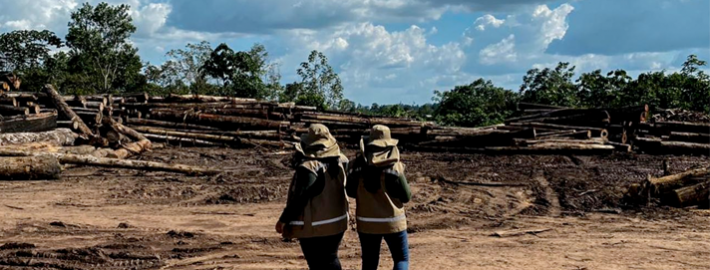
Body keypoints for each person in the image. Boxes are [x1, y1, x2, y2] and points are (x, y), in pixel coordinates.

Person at [276, 124, 349, 270]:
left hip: (314, 226)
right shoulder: (341, 161)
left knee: (316, 263)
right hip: (338, 221)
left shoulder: (308, 168)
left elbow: (300, 199)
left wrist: (283, 220)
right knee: (331, 258)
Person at [347, 124, 412, 270]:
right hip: (393, 222)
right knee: (401, 259)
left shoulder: (356, 167)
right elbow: (406, 196)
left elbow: (350, 192)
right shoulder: (395, 168)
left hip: (367, 223)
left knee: (369, 262)